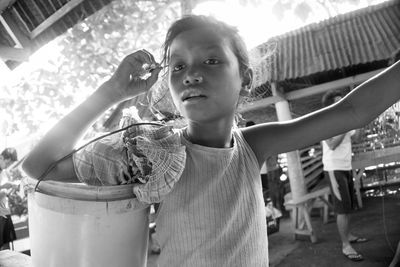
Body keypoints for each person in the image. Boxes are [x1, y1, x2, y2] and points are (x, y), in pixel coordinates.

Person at [21, 15, 400, 266]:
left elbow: (352, 112)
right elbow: (38, 167)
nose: (191, 75)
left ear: (246, 77)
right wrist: (111, 91)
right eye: (179, 65)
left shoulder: (255, 146)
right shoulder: (151, 154)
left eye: (212, 61)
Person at [321, 90, 368, 261]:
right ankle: (345, 245)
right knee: (342, 209)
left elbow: (356, 138)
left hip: (346, 167)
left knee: (348, 207)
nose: (342, 103)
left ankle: (349, 236)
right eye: (338, 101)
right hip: (334, 169)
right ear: (330, 105)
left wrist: (361, 123)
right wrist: (346, 127)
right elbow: (332, 145)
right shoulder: (325, 122)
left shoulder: (345, 121)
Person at [0, 147, 18, 250]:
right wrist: (3, 187)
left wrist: (10, 190)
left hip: (5, 212)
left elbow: (4, 194)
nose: (7, 166)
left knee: (7, 246)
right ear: (1, 157)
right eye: (7, 163)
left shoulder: (5, 173)